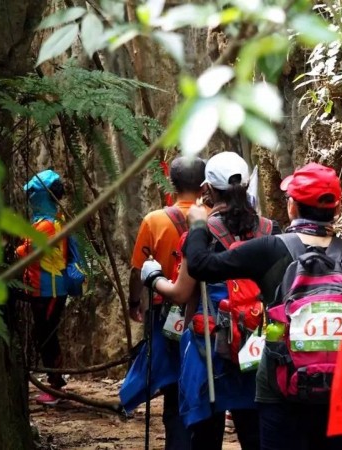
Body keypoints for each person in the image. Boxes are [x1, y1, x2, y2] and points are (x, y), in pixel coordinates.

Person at [180, 162, 342, 450]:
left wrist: (199, 222)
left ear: (292, 207)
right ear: (336, 210)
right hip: (339, 393)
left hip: (280, 388)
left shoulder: (270, 250)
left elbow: (200, 265)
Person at [141, 152, 279, 450]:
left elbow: (181, 293)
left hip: (210, 345)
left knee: (206, 434)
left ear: (208, 189)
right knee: (254, 433)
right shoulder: (269, 230)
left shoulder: (201, 234)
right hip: (256, 344)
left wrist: (152, 277)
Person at [121, 156, 207, 450]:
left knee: (173, 382)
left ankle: (177, 442)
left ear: (172, 183)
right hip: (206, 311)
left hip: (166, 309)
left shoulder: (154, 220)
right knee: (202, 378)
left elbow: (139, 268)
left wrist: (136, 302)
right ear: (205, 185)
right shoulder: (212, 218)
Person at [16, 169, 69, 406]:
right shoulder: (51, 221)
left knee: (47, 337)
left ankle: (55, 386)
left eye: (33, 194)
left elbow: (24, 252)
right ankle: (55, 380)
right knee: (45, 335)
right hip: (43, 289)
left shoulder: (47, 226)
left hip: (50, 289)